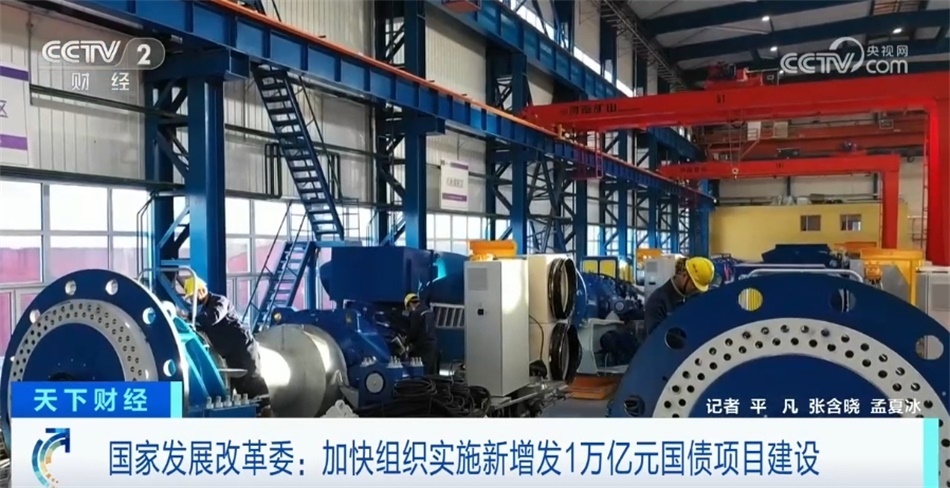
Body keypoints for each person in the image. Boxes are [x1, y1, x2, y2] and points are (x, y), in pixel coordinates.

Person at [182, 276, 273, 417]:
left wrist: (192, 318)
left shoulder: (219, 301)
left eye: (192, 297)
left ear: (201, 291)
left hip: (243, 349)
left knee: (252, 381)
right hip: (230, 355)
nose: (191, 301)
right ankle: (252, 415)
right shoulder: (203, 311)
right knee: (240, 387)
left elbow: (213, 317)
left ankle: (266, 412)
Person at [643, 257, 715, 338]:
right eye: (694, 286)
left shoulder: (691, 297)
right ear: (684, 275)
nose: (695, 290)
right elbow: (656, 338)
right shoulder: (658, 302)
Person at [403, 293, 440, 375]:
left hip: (423, 349)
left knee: (423, 375)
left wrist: (406, 342)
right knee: (433, 375)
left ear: (410, 304)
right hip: (433, 346)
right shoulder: (429, 311)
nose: (410, 310)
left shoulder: (416, 313)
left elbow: (413, 331)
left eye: (408, 308)